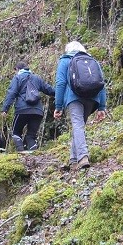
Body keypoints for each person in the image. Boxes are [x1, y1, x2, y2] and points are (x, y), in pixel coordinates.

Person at [53, 41, 106, 170]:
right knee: (79, 127)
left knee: (77, 125)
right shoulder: (92, 60)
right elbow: (101, 84)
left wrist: (58, 106)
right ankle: (73, 160)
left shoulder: (65, 61)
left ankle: (82, 157)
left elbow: (60, 84)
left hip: (74, 97)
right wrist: (102, 107)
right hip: (92, 98)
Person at [0, 61, 54, 151]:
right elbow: (49, 89)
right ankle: (33, 154)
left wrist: (5, 109)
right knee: (31, 136)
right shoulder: (37, 78)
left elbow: (11, 93)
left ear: (17, 69)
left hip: (22, 110)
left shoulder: (17, 78)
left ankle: (21, 152)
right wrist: (62, 93)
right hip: (37, 111)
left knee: (16, 132)